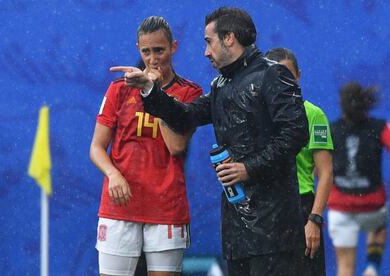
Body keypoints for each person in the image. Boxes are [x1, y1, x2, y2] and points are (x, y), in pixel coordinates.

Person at [111, 7, 309, 275]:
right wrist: (149, 89)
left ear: (229, 38)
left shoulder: (273, 75)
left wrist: (247, 168)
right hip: (237, 231)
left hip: (275, 229)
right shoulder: (220, 85)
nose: (206, 52)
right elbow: (184, 117)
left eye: (209, 42)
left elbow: (295, 133)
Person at [89, 16, 202, 276]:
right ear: (139, 49)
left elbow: (176, 146)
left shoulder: (189, 93)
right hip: (119, 205)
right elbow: (96, 147)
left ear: (173, 47)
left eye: (159, 50)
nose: (153, 59)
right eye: (146, 51)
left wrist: (155, 93)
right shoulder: (119, 89)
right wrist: (113, 174)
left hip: (166, 207)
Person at [265, 48, 334, 276]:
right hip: (266, 210)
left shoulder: (315, 115)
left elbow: (325, 173)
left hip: (302, 209)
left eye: (289, 76)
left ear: (299, 75)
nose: (284, 84)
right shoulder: (258, 115)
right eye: (277, 77)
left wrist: (314, 219)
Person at [327, 82, 390, 276]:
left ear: (341, 103)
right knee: (379, 226)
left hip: (340, 207)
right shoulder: (380, 127)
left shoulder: (331, 129)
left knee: (345, 268)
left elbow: (320, 170)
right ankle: (372, 266)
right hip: (372, 205)